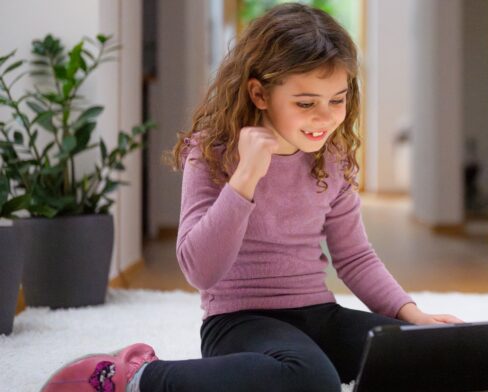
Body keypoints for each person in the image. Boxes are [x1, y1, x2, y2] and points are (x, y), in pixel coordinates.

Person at [42, 3, 461, 391]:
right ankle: (137, 376)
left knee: (432, 355)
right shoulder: (212, 151)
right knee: (311, 382)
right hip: (238, 322)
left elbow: (354, 256)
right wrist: (245, 176)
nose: (326, 117)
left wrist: (412, 315)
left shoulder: (331, 157)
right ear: (259, 94)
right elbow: (199, 270)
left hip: (318, 314)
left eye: (338, 99)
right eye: (305, 102)